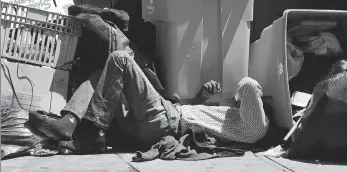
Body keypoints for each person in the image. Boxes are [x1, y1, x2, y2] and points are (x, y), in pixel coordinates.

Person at [30, 51, 269, 152]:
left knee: (120, 58)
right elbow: (191, 117)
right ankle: (69, 123)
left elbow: (247, 85)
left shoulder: (254, 129)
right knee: (101, 75)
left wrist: (247, 94)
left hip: (164, 121)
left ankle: (88, 131)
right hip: (159, 122)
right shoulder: (234, 124)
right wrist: (200, 98)